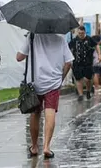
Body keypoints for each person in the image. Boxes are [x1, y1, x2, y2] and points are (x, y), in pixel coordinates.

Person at [17, 30, 73, 159]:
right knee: (50, 111)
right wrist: (61, 78)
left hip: (35, 82)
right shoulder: (60, 39)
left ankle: (35, 146)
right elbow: (69, 62)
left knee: (35, 113)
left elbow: (19, 57)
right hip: (53, 82)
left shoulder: (32, 36)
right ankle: (47, 147)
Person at [70, 25, 95, 101]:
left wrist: (99, 55)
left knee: (88, 79)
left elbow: (96, 45)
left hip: (88, 63)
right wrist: (69, 60)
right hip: (77, 63)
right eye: (79, 33)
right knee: (78, 79)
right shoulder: (74, 41)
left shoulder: (89, 39)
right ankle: (80, 95)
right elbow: (68, 49)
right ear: (78, 32)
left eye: (82, 33)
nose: (81, 34)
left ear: (85, 32)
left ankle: (88, 91)